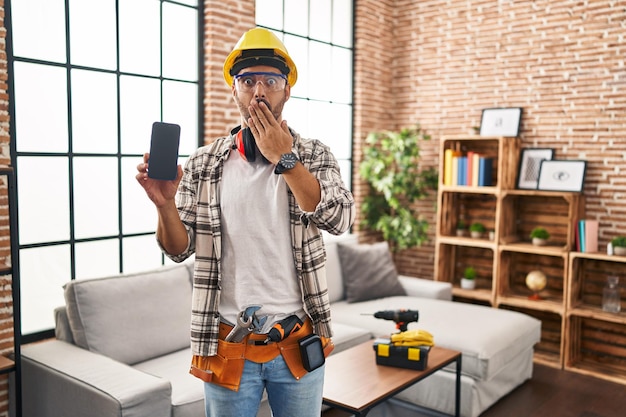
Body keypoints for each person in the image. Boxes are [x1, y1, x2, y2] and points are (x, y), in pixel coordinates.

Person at [136, 27, 355, 417]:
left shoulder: (315, 154)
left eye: (270, 80)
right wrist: (164, 204)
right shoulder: (204, 163)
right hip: (227, 343)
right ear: (233, 90)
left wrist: (285, 159)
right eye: (247, 80)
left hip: (298, 340)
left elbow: (340, 220)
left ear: (286, 91)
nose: (259, 91)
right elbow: (178, 249)